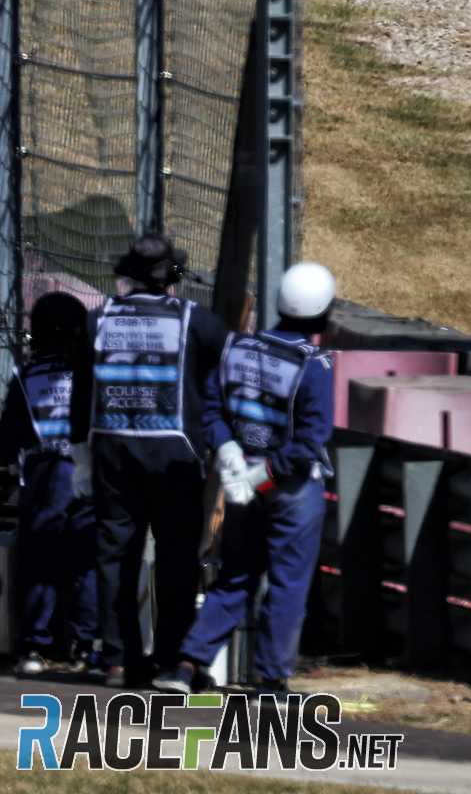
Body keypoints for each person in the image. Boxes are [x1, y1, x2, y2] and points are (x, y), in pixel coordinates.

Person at [158, 262, 337, 697]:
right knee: (288, 583)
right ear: (323, 313)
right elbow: (311, 440)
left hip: (241, 483)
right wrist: (264, 474)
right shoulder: (314, 365)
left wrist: (229, 453)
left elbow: (212, 409)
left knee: (235, 575)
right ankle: (271, 679)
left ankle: (186, 666)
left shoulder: (236, 347)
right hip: (289, 486)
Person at [81, 233, 228, 688]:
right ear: (172, 277)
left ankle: (118, 659)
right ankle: (170, 660)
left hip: (112, 448)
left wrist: (79, 455)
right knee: (176, 557)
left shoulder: (97, 319)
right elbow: (224, 369)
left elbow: (82, 392)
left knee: (115, 555)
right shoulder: (196, 320)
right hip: (174, 453)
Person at [0, 293, 100, 675]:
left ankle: (34, 645)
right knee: (86, 560)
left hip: (45, 472)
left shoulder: (26, 374)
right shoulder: (91, 372)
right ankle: (84, 644)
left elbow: (9, 435)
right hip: (88, 468)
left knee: (40, 559)